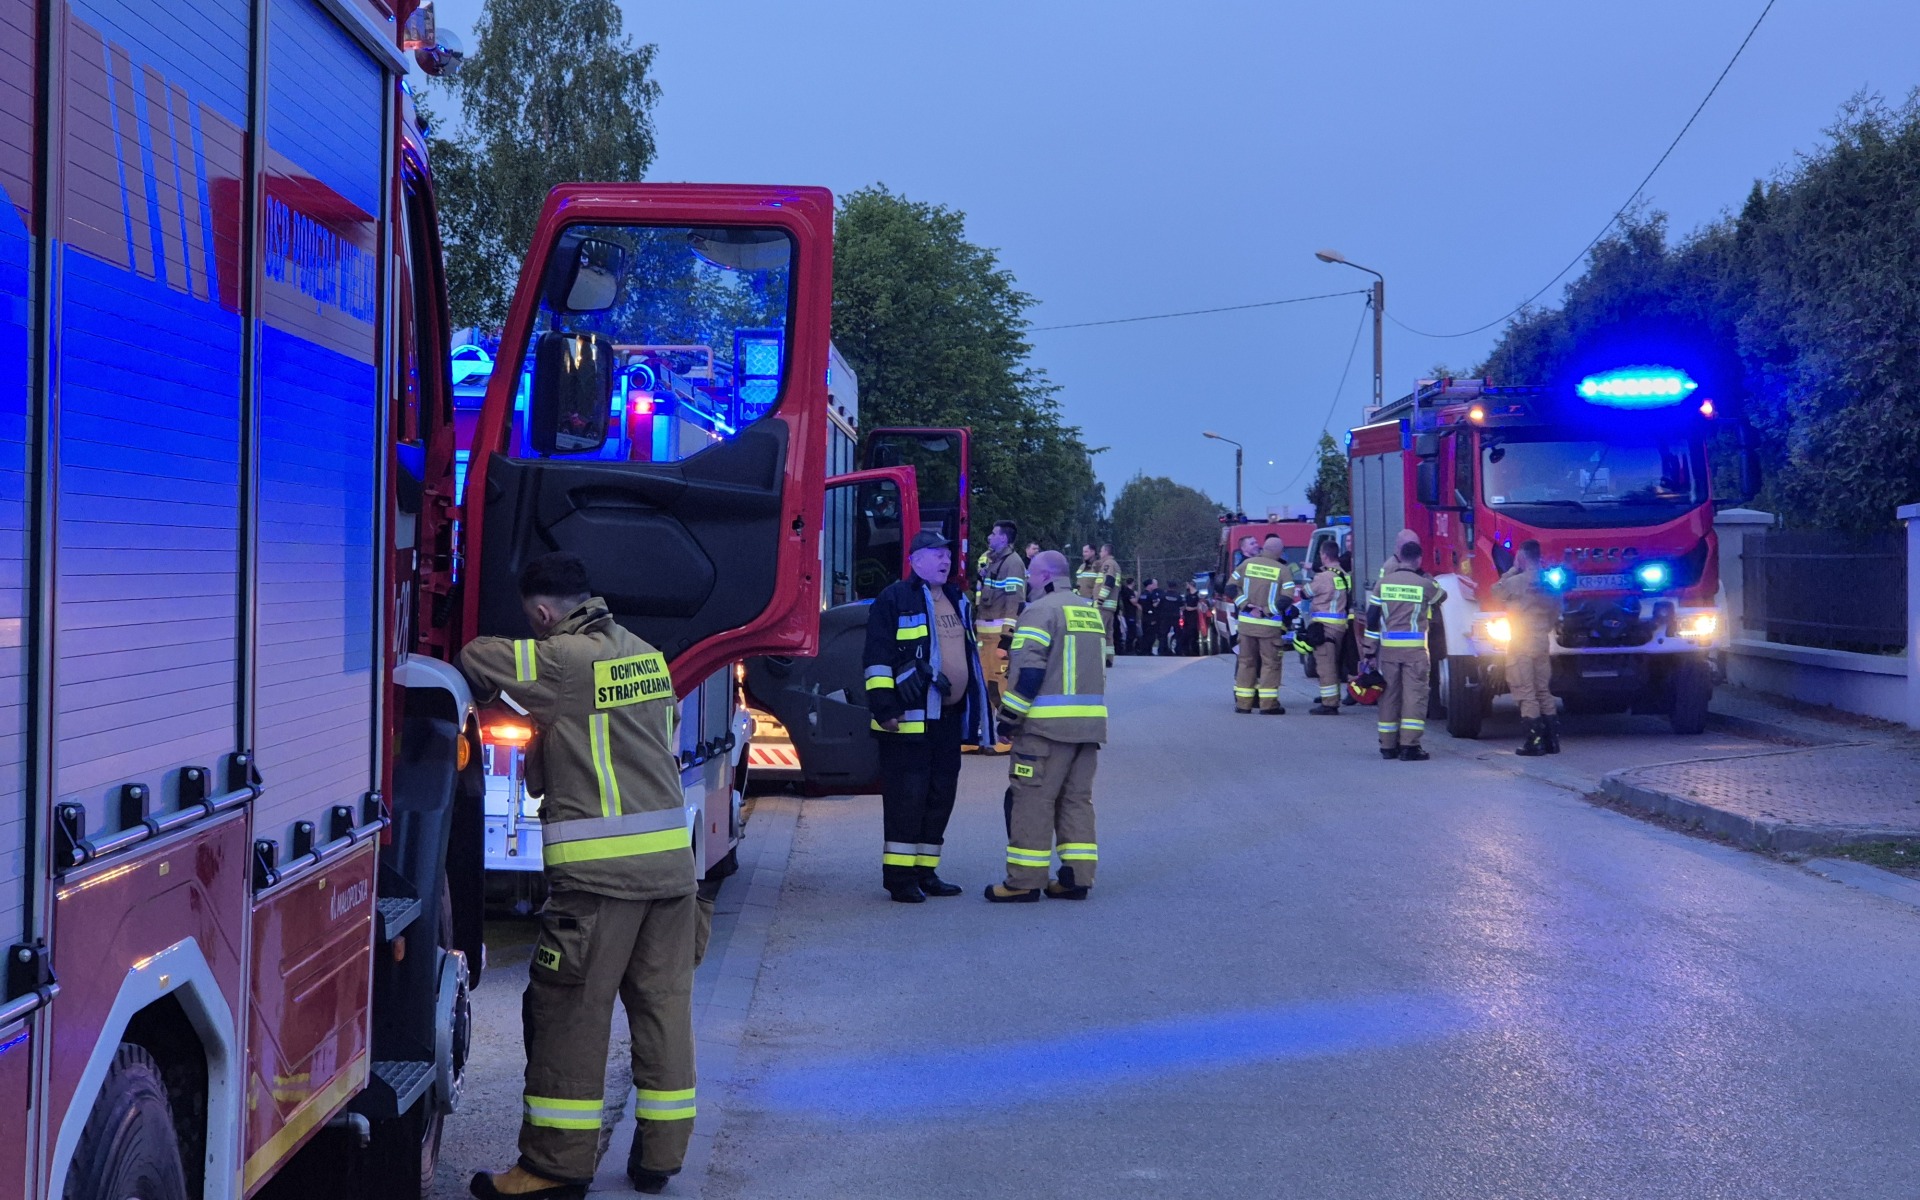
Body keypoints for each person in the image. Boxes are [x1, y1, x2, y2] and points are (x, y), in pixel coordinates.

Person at [460, 553, 696, 1199]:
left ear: (543, 612)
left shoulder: (563, 659)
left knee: (570, 1013)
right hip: (674, 874)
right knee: (664, 1008)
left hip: (600, 882)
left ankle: (553, 1168)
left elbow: (477, 655)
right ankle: (659, 1157)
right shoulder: (646, 655)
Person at [863, 530, 989, 903]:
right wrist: (885, 709)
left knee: (940, 796)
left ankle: (926, 871)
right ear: (915, 561)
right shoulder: (894, 598)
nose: (945, 560)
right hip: (907, 720)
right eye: (935, 554)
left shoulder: (956, 599)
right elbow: (876, 659)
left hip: (948, 718)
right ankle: (900, 879)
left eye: (947, 554)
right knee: (907, 798)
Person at [987, 551, 1106, 902]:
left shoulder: (1039, 612)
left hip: (1045, 730)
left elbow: (1030, 673)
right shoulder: (1089, 611)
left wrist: (1008, 719)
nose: (1027, 582)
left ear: (1044, 576)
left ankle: (1024, 880)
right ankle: (1076, 878)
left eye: (1031, 576)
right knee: (1076, 801)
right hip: (1088, 728)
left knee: (1032, 800)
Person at [1364, 535, 1447, 761]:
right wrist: (1425, 578)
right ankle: (1409, 746)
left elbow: (1372, 619)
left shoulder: (1383, 584)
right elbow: (1442, 596)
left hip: (1389, 651)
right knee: (1414, 697)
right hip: (1415, 652)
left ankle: (1388, 746)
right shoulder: (1424, 584)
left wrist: (1369, 651)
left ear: (1399, 558)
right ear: (1418, 560)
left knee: (1389, 696)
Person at [1492, 539, 1560, 756]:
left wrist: (1511, 570)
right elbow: (1555, 612)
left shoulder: (1516, 581)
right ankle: (1552, 741)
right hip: (1541, 640)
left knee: (1525, 691)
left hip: (1521, 642)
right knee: (1543, 690)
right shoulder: (1550, 582)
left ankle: (1534, 742)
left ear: (1522, 558)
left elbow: (1495, 592)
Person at [975, 520, 1028, 753]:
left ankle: (1007, 736)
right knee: (985, 685)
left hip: (997, 636)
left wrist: (1006, 640)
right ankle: (988, 733)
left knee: (1001, 685)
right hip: (985, 635)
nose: (989, 537)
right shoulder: (994, 561)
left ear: (1004, 539)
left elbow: (1014, 602)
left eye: (993, 533)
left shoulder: (1013, 564)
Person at [1227, 535, 1291, 714]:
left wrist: (1246, 606)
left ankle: (1243, 704)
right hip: (1269, 628)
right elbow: (1286, 598)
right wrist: (1266, 611)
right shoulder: (1283, 570)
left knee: (1246, 663)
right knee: (1270, 665)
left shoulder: (1246, 565)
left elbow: (1230, 588)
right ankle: (1268, 705)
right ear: (1279, 552)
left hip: (1247, 626)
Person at [1306, 540, 1352, 714]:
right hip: (1340, 626)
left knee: (1326, 666)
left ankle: (1330, 703)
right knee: (1333, 664)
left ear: (1324, 556)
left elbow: (1306, 592)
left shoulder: (1323, 577)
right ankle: (1332, 697)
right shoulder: (1344, 575)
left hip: (1324, 626)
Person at [1095, 543, 1122, 667]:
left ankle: (1100, 659)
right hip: (1110, 606)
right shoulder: (1115, 564)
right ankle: (1108, 659)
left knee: (1099, 633)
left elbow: (1109, 581)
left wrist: (1100, 599)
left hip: (1103, 605)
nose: (1100, 554)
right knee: (1108, 635)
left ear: (1106, 552)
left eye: (1101, 551)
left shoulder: (1108, 564)